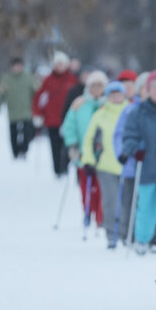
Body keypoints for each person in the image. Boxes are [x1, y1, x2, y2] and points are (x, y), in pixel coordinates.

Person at [121, 70, 156, 255]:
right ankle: (142, 240)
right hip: (146, 166)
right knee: (145, 207)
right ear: (148, 89)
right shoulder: (138, 112)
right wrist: (134, 148)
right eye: (155, 87)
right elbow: (129, 136)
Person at [81, 81, 129, 248]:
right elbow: (89, 139)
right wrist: (88, 159)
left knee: (126, 203)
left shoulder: (130, 111)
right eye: (112, 94)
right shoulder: (100, 114)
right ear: (108, 96)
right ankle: (111, 235)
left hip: (127, 165)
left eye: (119, 94)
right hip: (105, 165)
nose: (116, 97)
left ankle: (125, 233)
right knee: (110, 202)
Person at [62, 70, 109, 231]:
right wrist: (72, 144)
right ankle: (88, 211)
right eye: (93, 85)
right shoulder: (79, 103)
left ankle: (100, 217)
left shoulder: (109, 103)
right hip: (83, 152)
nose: (96, 88)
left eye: (100, 85)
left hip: (105, 155)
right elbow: (69, 125)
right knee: (86, 186)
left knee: (102, 186)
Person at [113, 72, 149, 246]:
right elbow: (120, 134)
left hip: (152, 166)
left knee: (148, 202)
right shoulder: (130, 109)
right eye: (145, 88)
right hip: (132, 163)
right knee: (129, 199)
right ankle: (126, 233)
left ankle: (150, 236)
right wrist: (123, 153)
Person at [32, 51, 78, 177]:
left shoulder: (72, 79)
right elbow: (39, 98)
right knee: (55, 145)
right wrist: (37, 114)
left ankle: (65, 167)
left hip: (68, 119)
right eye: (57, 64)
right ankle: (57, 169)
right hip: (52, 119)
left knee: (67, 144)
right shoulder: (48, 80)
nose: (60, 66)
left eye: (62, 64)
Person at [0, 57, 36, 159]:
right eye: (15, 66)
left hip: (26, 110)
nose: (17, 68)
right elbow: (1, 93)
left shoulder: (28, 77)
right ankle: (15, 152)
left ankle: (24, 150)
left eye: (19, 66)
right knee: (13, 133)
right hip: (13, 110)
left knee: (27, 133)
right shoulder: (7, 78)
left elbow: (36, 91)